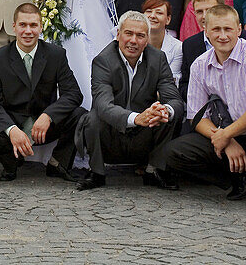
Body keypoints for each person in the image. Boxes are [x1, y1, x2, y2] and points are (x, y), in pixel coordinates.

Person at [153, 5, 246, 214]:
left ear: (239, 30)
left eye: (228, 29)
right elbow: (197, 117)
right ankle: (237, 177)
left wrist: (227, 134)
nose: (222, 36)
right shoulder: (200, 65)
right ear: (205, 31)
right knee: (173, 152)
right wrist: (227, 140)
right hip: (234, 135)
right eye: (216, 30)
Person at [75, 12, 184, 191]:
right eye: (128, 33)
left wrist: (164, 110)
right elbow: (103, 105)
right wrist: (136, 118)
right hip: (112, 134)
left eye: (140, 35)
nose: (133, 41)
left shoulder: (158, 59)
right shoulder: (103, 61)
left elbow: (175, 99)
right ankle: (97, 172)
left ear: (147, 38)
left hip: (144, 133)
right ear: (118, 34)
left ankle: (154, 170)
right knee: (92, 117)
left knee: (169, 114)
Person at [0, 4, 85, 182]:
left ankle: (58, 163)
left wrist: (48, 116)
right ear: (14, 27)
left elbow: (74, 94)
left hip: (44, 126)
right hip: (14, 122)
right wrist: (11, 130)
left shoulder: (55, 55)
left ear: (41, 27)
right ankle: (11, 163)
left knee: (81, 116)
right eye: (23, 25)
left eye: (33, 25)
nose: (28, 31)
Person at [179, 0, 246, 101]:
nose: (204, 16)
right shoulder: (190, 45)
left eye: (209, 10)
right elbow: (185, 85)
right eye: (199, 11)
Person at [141, 0, 182, 86]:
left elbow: (171, 82)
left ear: (168, 19)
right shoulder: (131, 41)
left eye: (159, 13)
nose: (152, 16)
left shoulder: (178, 48)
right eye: (148, 11)